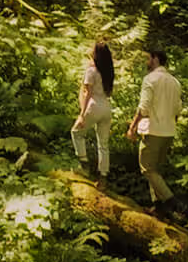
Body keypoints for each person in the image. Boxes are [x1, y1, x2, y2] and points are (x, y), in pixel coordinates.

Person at [126, 48, 181, 212]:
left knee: (147, 168)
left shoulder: (150, 79)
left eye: (148, 59)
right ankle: (158, 207)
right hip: (169, 132)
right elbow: (178, 109)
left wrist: (132, 127)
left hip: (153, 131)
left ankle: (172, 202)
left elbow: (144, 107)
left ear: (155, 59)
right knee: (155, 171)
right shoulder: (175, 82)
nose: (147, 62)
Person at [70, 40, 116, 183]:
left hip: (93, 105)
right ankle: (103, 177)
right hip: (106, 107)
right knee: (103, 144)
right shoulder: (107, 72)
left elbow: (87, 94)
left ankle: (84, 165)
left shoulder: (92, 71)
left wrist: (82, 115)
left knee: (76, 132)